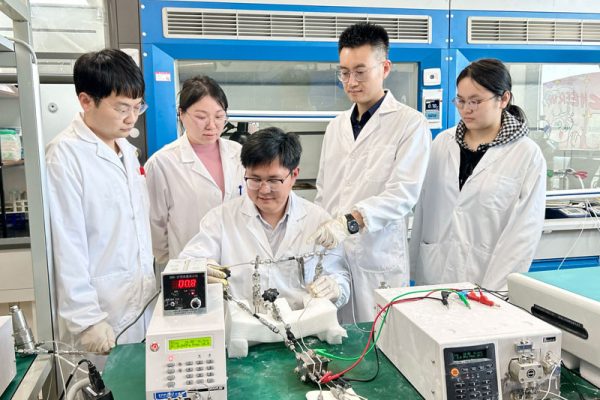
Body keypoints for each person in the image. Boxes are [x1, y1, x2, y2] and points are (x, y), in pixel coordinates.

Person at [310, 23, 431, 322]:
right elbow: (325, 190)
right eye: (344, 72)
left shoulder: (410, 124)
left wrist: (349, 222)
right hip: (334, 260)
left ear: (385, 67)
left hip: (377, 258)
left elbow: (403, 195)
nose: (351, 81)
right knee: (334, 339)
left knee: (379, 343)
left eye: (360, 71)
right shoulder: (336, 125)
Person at [46, 49, 155, 353]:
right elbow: (66, 244)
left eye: (137, 106)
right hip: (98, 315)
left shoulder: (127, 151)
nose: (131, 117)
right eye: (121, 107)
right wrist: (86, 320)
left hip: (138, 304)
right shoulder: (64, 156)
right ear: (85, 100)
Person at [409, 58, 547, 290]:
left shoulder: (526, 154)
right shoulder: (443, 143)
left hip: (488, 278)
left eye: (476, 101)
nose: (466, 109)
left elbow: (524, 233)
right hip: (435, 275)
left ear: (504, 99)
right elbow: (423, 207)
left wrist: (498, 288)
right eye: (461, 101)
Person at [180, 127, 350, 311]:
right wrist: (200, 270)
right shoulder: (220, 218)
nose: (263, 189)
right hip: (242, 329)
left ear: (293, 175)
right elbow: (186, 264)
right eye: (254, 179)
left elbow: (340, 276)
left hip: (302, 328)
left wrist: (336, 287)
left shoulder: (318, 220)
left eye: (273, 180)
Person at [145, 76, 244, 266]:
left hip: (237, 265)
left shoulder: (239, 154)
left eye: (219, 116)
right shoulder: (162, 163)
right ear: (181, 114)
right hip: (189, 270)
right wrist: (179, 263)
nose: (212, 125)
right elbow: (154, 229)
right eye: (201, 117)